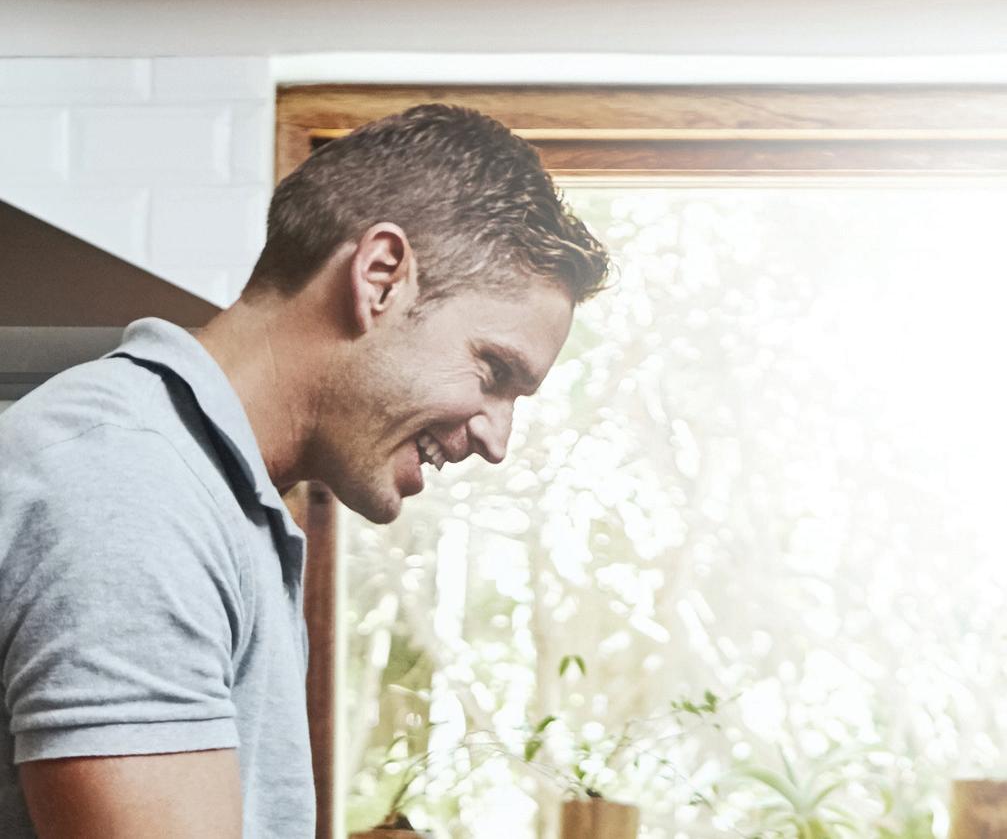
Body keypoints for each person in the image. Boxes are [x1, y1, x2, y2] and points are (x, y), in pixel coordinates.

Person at [0, 104, 610, 838]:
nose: (495, 439)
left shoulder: (216, 494)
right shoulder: (130, 483)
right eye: (493, 370)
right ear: (380, 277)